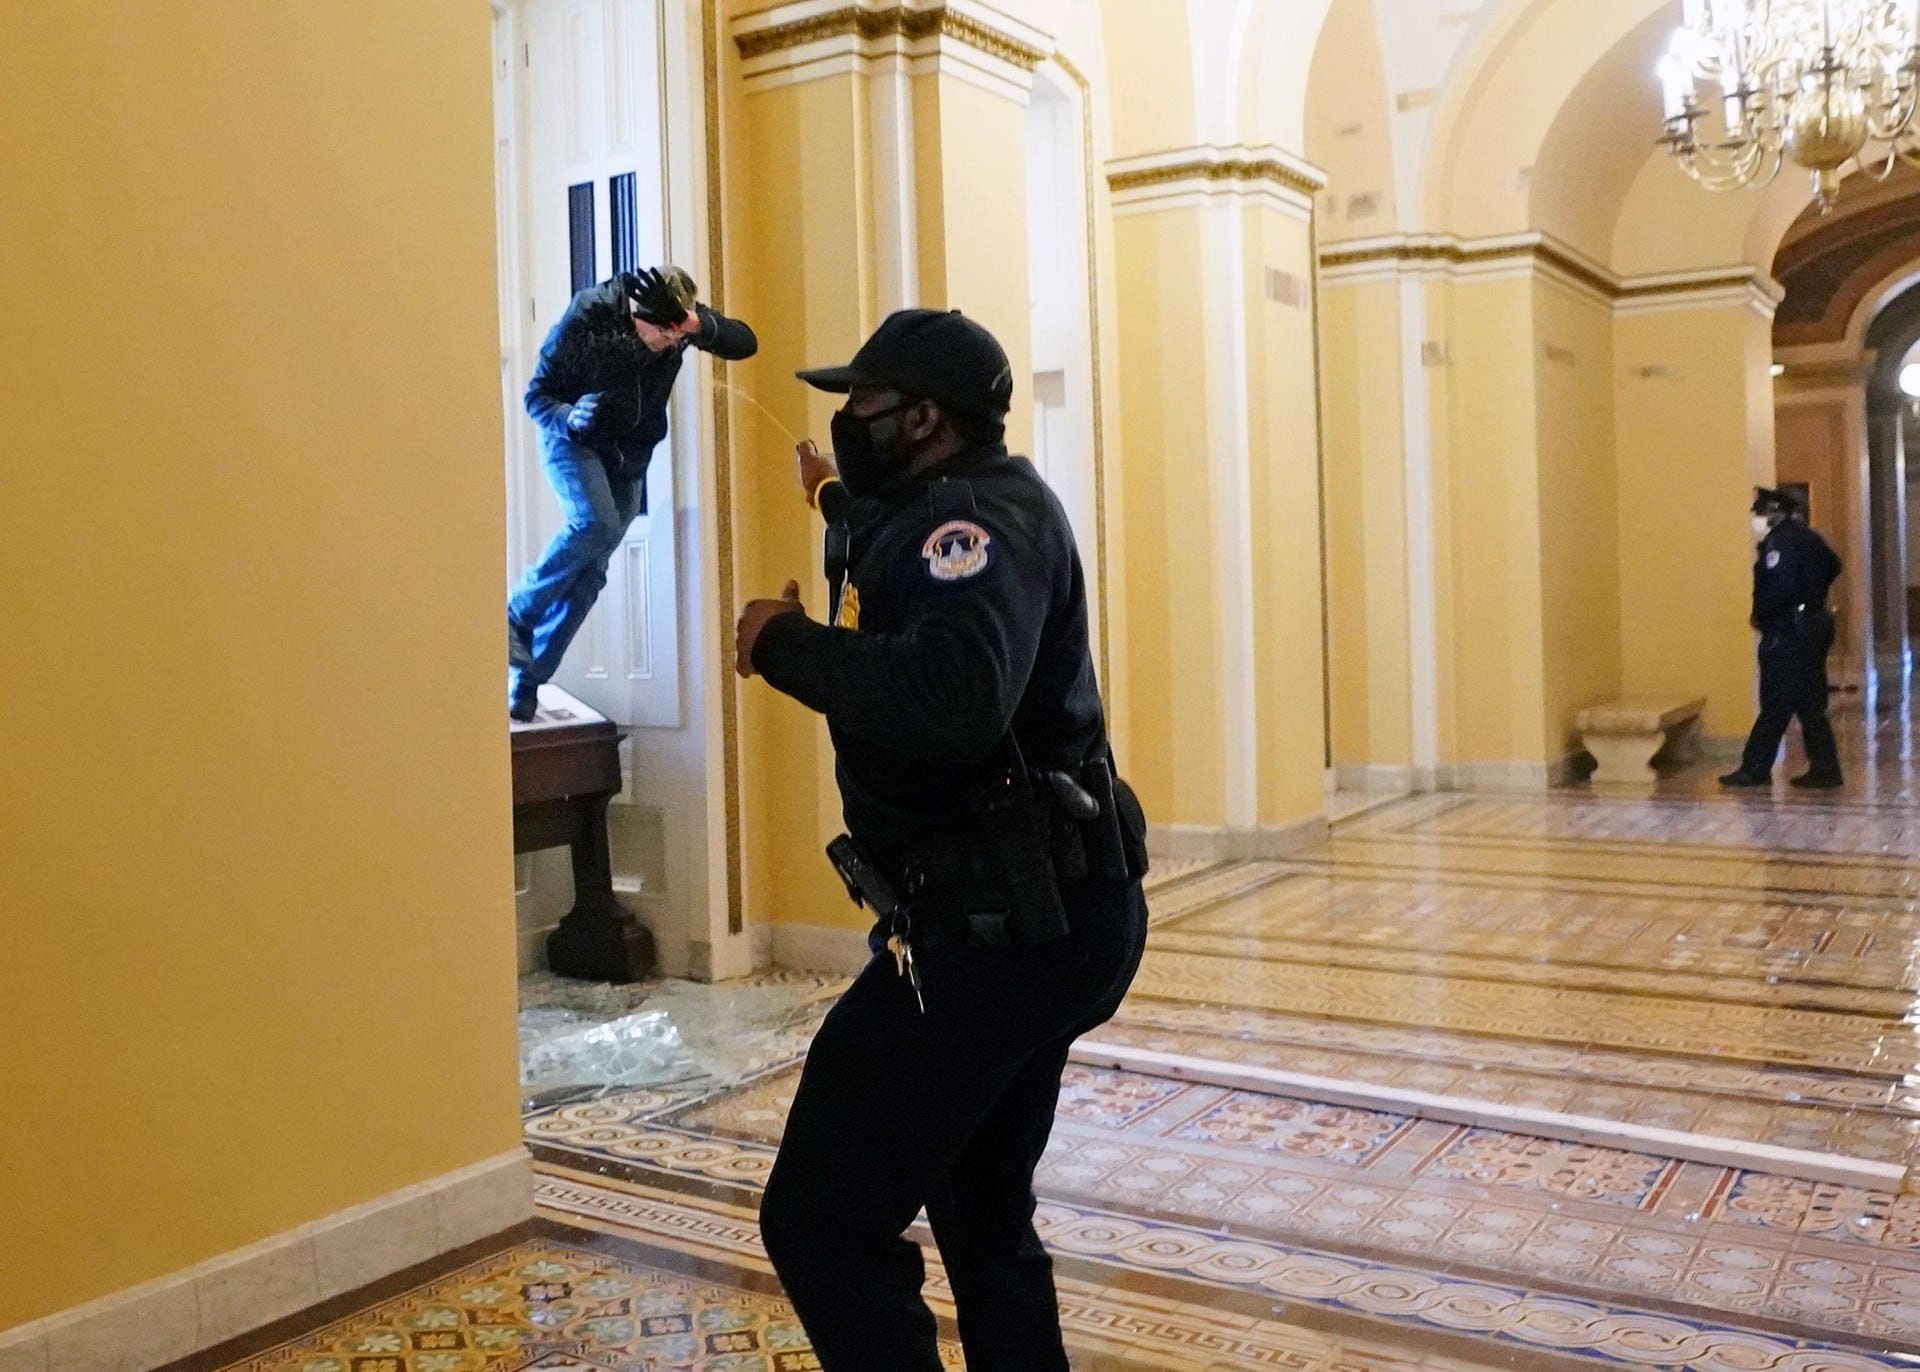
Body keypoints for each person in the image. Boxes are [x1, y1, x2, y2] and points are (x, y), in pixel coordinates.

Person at [733, 308, 1150, 1371]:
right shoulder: (959, 504)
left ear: (921, 417)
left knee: (822, 1217)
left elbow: (956, 694)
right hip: (1042, 916)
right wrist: (829, 490)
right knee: (979, 1201)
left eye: (862, 404)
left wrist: (784, 644)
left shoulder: (969, 526)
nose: (848, 417)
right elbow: (896, 551)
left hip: (998, 931)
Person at [508, 266, 757, 720]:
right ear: (633, 312)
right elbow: (536, 396)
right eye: (659, 332)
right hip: (574, 437)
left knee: (592, 573)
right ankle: (516, 614)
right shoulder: (590, 314)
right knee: (595, 523)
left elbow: (746, 342)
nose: (667, 342)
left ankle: (528, 678)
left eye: (675, 335)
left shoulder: (680, 323)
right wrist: (569, 417)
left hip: (628, 455)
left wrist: (695, 325)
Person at [1721, 486, 1844, 790]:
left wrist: (1762, 616)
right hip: (1813, 624)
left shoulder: (1780, 541)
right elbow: (1833, 566)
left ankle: (1754, 769)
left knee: (1775, 701)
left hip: (1789, 630)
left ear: (1774, 512)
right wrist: (1812, 594)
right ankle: (1825, 769)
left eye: (1761, 513)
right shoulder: (1809, 537)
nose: (1759, 520)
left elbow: (1779, 587)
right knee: (1810, 702)